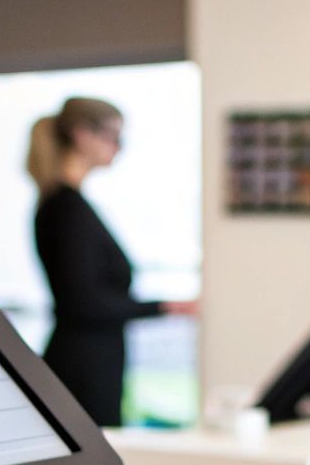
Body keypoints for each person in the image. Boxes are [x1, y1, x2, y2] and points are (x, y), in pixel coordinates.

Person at [27, 97, 197, 426]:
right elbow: (85, 302)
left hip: (95, 358)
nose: (119, 147)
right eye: (113, 135)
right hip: (82, 364)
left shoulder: (68, 204)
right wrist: (167, 307)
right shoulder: (66, 208)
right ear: (82, 135)